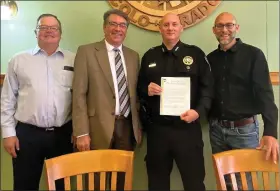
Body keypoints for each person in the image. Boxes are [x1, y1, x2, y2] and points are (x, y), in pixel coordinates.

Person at [137, 13, 214, 191]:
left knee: (194, 183)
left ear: (182, 27)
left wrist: (198, 112)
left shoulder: (195, 54)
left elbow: (208, 89)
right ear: (160, 28)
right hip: (158, 132)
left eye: (174, 24)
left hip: (187, 130)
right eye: (166, 25)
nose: (170, 28)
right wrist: (146, 90)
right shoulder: (149, 56)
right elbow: (138, 89)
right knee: (157, 184)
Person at [1, 14, 75, 190]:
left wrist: (78, 131)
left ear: (60, 33)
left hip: (63, 134)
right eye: (43, 27)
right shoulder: (18, 60)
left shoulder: (74, 59)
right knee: (24, 185)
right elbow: (7, 99)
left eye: (54, 28)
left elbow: (81, 98)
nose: (49, 31)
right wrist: (8, 134)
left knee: (62, 186)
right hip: (27, 135)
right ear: (36, 32)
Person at [207, 12, 279, 190]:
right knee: (225, 184)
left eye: (229, 25)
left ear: (236, 28)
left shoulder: (254, 55)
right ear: (214, 30)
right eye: (220, 26)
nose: (225, 30)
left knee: (246, 183)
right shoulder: (209, 59)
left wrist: (270, 131)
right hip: (216, 131)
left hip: (244, 132)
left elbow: (265, 94)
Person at [72, 9, 142, 190]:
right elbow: (78, 94)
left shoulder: (133, 56)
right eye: (113, 24)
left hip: (126, 127)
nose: (118, 29)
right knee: (96, 180)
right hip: (96, 130)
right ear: (104, 27)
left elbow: (136, 95)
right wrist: (81, 132)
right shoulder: (86, 52)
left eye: (122, 25)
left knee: (122, 180)